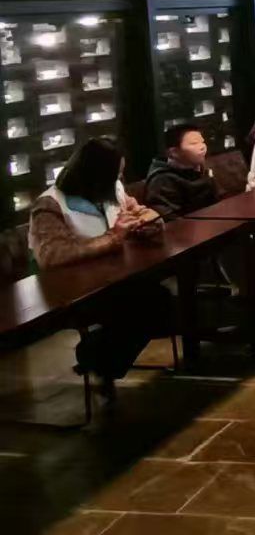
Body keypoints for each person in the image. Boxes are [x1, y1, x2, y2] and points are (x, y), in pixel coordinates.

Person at [29, 137, 168, 391]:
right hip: (77, 292)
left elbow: (143, 213)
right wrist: (113, 237)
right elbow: (52, 255)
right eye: (115, 174)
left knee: (158, 300)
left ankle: (99, 358)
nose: (119, 179)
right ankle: (97, 356)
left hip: (115, 279)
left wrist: (145, 223)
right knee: (149, 303)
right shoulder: (51, 204)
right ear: (94, 174)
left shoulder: (111, 188)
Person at [143, 123, 220, 219]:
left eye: (202, 142)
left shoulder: (200, 168)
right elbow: (170, 218)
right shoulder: (161, 180)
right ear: (174, 152)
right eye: (194, 143)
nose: (202, 147)